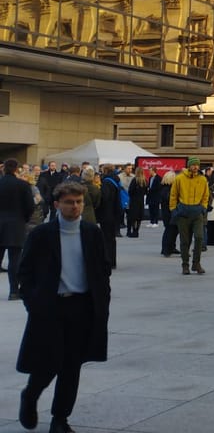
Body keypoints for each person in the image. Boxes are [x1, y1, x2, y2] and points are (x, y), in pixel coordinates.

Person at [16, 181, 110, 433]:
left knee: (71, 366)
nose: (75, 207)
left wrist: (102, 304)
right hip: (51, 307)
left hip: (82, 307)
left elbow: (102, 272)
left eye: (79, 202)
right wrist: (33, 303)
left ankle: (60, 419)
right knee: (48, 362)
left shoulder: (92, 233)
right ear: (57, 204)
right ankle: (30, 396)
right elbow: (24, 272)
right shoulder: (42, 234)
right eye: (69, 202)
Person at [0, 158, 35, 300]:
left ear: (3, 169)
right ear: (16, 169)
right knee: (15, 260)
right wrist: (24, 219)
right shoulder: (23, 185)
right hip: (16, 224)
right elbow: (30, 206)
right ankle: (14, 291)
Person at [170, 157, 209, 275]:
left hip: (197, 213)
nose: (196, 167)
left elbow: (206, 195)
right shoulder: (180, 178)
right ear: (189, 166)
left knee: (199, 237)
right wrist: (173, 210)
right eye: (193, 165)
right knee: (184, 241)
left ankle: (196, 263)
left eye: (197, 165)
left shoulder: (202, 179)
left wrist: (203, 207)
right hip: (183, 214)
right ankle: (185, 264)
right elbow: (173, 195)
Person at [96, 165, 123, 270]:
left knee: (106, 239)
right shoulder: (115, 180)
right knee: (111, 239)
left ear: (106, 170)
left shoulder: (107, 182)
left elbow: (105, 198)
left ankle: (108, 261)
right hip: (114, 213)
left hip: (107, 214)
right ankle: (112, 261)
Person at [158, 170, 179, 256]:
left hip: (167, 212)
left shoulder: (164, 188)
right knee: (170, 231)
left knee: (172, 231)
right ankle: (166, 249)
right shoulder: (167, 189)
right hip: (169, 213)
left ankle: (170, 247)